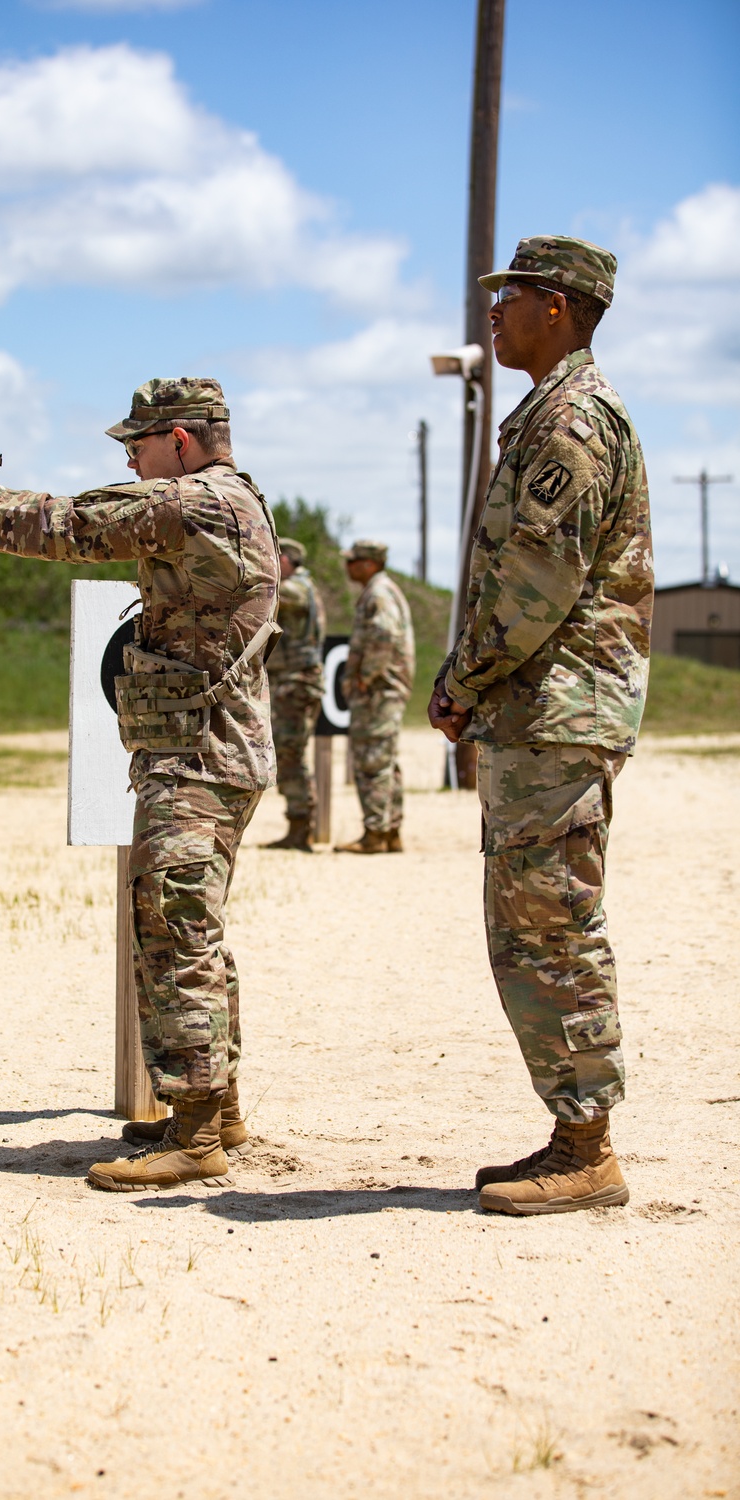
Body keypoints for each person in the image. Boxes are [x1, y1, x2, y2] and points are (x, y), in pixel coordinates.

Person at [0, 378, 280, 1192]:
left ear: (180, 442)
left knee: (174, 932)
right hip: (206, 748)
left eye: (138, 447)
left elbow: (77, 525)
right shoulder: (230, 500)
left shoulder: (196, 503)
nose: (129, 461)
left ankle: (193, 1133)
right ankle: (213, 1108)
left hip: (196, 752)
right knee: (192, 925)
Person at [428, 235, 653, 1215]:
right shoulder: (547, 410)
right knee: (529, 927)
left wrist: (464, 679)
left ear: (556, 306)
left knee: (550, 926)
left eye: (509, 294)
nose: (492, 309)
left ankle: (587, 1149)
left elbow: (535, 582)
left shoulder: (571, 420)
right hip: (543, 711)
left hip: (558, 709)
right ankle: (570, 1132)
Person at [335, 540, 414, 853]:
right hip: (384, 690)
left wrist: (366, 676)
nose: (348, 566)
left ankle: (375, 834)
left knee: (372, 761)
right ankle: (390, 831)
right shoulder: (381, 590)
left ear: (369, 564)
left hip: (379, 691)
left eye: (354, 561)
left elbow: (383, 635)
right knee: (384, 759)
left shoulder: (379, 593)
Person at [263, 537, 326, 851]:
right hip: (292, 683)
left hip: (297, 684)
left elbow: (269, 592)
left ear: (287, 560)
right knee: (289, 752)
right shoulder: (299, 587)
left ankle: (301, 826)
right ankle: (298, 825)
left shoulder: (298, 589)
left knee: (291, 753)